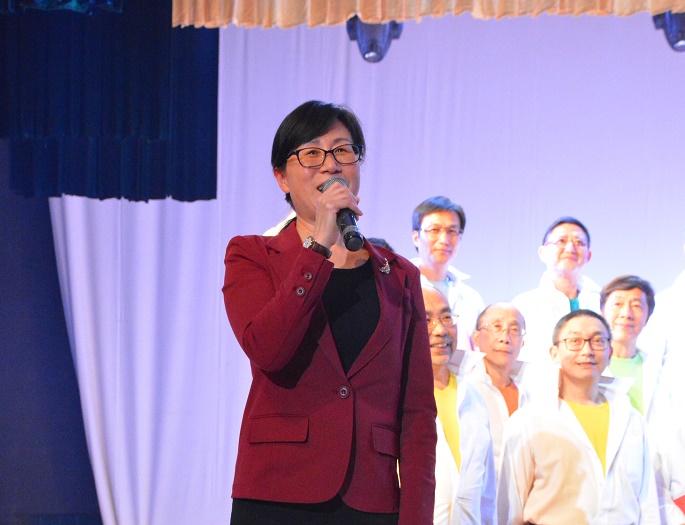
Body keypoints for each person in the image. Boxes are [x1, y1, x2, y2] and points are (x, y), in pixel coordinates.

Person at [222, 100, 437, 525]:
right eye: (311, 153)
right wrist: (317, 246)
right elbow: (268, 350)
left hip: (371, 497)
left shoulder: (399, 276)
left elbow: (417, 413)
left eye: (342, 150)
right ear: (281, 177)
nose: (330, 164)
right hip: (278, 492)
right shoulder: (252, 255)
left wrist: (416, 517)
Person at [497, 309, 659, 524]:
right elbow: (510, 508)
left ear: (610, 352)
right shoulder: (528, 421)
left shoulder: (632, 420)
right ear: (554, 352)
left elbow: (647, 502)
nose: (587, 350)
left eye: (598, 341)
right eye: (574, 341)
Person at [422, 284, 495, 525]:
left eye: (446, 317)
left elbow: (486, 494)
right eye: (427, 319)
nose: (440, 330)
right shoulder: (393, 395)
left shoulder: (473, 395)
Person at [512, 216, 601, 365]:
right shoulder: (523, 305)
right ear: (542, 253)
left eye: (579, 242)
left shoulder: (602, 304)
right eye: (561, 241)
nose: (570, 248)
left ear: (589, 255)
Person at [411, 196, 484, 353]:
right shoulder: (401, 287)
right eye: (434, 230)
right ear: (416, 237)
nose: (444, 240)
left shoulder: (471, 298)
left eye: (452, 231)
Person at [469, 303, 532, 470]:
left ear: (522, 342)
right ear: (476, 337)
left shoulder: (532, 396)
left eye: (515, 330)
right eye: (497, 327)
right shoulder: (466, 391)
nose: (505, 337)